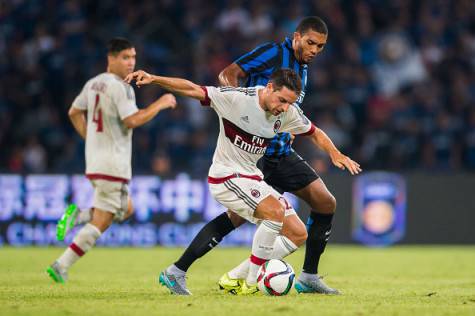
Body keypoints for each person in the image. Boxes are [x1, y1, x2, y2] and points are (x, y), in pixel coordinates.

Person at [124, 68, 361, 295]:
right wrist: (154, 79)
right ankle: (252, 281)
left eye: (290, 103)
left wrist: (335, 153)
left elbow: (314, 132)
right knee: (275, 212)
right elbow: (192, 89)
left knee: (298, 234)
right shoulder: (236, 99)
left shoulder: (287, 112)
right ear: (269, 87)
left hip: (251, 178)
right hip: (225, 176)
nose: (284, 108)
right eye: (281, 100)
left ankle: (226, 277)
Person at [170, 16, 343, 294]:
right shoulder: (273, 53)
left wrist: (287, 127)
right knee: (235, 218)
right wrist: (244, 111)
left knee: (325, 202)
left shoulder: (301, 67)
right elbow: (228, 73)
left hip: (281, 153)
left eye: (320, 46)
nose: (314, 50)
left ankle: (308, 276)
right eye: (310, 43)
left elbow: (295, 116)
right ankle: (181, 270)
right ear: (297, 36)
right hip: (256, 155)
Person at [46, 38, 177, 283]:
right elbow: (132, 120)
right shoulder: (120, 87)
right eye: (125, 57)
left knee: (126, 209)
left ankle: (79, 218)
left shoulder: (93, 84)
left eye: (133, 57)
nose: (131, 63)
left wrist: (90, 139)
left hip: (96, 162)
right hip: (113, 165)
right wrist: (160, 103)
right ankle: (61, 264)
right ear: (111, 59)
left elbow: (74, 112)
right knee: (104, 220)